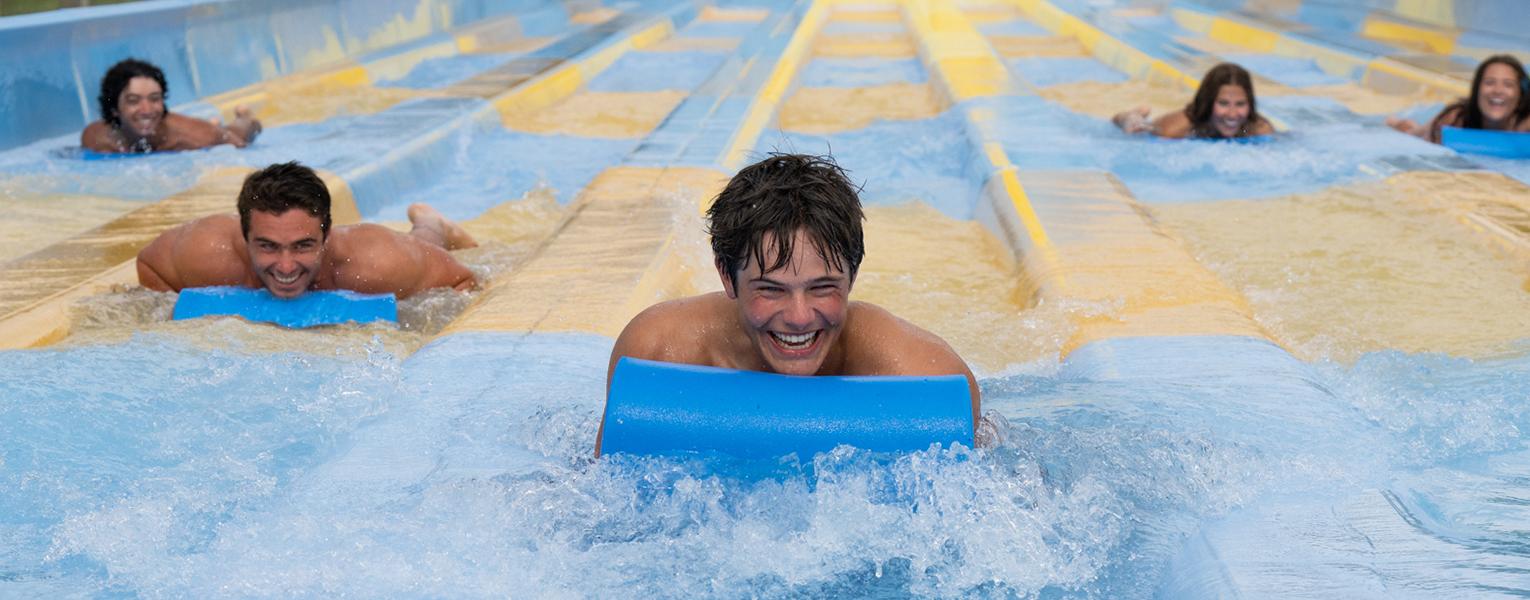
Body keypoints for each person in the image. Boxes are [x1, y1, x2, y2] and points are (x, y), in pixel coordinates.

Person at [595, 153, 980, 456]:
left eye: (822, 288)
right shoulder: (661, 353)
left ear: (853, 277)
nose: (799, 317)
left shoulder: (915, 373)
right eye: (772, 290)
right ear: (727, 277)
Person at [136, 161, 478, 299]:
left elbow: (463, 280)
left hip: (405, 249)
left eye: (302, 246)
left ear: (326, 235)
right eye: (268, 246)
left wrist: (412, 321)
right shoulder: (209, 253)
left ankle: (432, 222)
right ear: (244, 236)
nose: (285, 267)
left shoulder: (374, 263)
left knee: (424, 242)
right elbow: (150, 265)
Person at [81, 58, 262, 154]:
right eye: (133, 100)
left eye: (154, 98)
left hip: (219, 134)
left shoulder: (189, 136)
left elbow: (238, 145)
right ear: (114, 109)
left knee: (240, 131)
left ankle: (243, 116)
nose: (147, 110)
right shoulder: (96, 139)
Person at [1386, 54, 1530, 143]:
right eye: (1489, 82)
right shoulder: (1455, 120)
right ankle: (1395, 121)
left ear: (1521, 94)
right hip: (1429, 128)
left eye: (1508, 85)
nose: (1498, 91)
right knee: (1412, 132)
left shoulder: (1524, 125)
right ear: (1476, 90)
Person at [1113, 62, 1275, 139]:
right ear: (1208, 101)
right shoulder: (1176, 130)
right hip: (1148, 127)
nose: (1232, 114)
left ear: (1250, 104)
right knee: (1135, 124)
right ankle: (1135, 114)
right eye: (1223, 103)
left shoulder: (1256, 128)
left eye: (1240, 104)